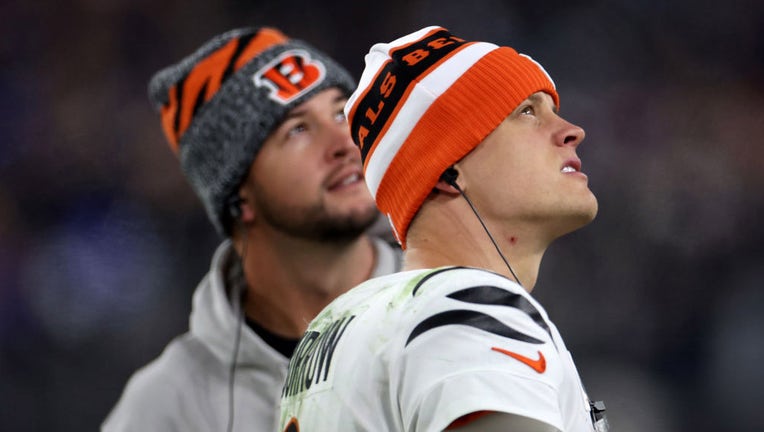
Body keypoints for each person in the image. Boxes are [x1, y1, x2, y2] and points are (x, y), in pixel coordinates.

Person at [278, 26, 609, 432]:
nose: (572, 131)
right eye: (527, 111)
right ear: (445, 171)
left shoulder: (331, 326)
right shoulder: (472, 306)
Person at [102, 27, 402, 432]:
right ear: (238, 194)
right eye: (297, 129)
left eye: (339, 113)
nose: (344, 142)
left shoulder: (462, 305)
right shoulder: (170, 404)